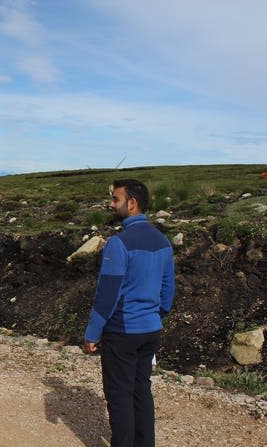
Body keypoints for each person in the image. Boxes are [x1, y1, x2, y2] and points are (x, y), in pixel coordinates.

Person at [83, 179, 175, 447]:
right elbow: (168, 288)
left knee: (119, 394)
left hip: (122, 331)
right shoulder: (162, 241)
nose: (111, 205)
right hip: (151, 329)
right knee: (141, 390)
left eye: (115, 199)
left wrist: (92, 332)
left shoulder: (118, 243)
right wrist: (157, 315)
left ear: (132, 203)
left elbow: (108, 293)